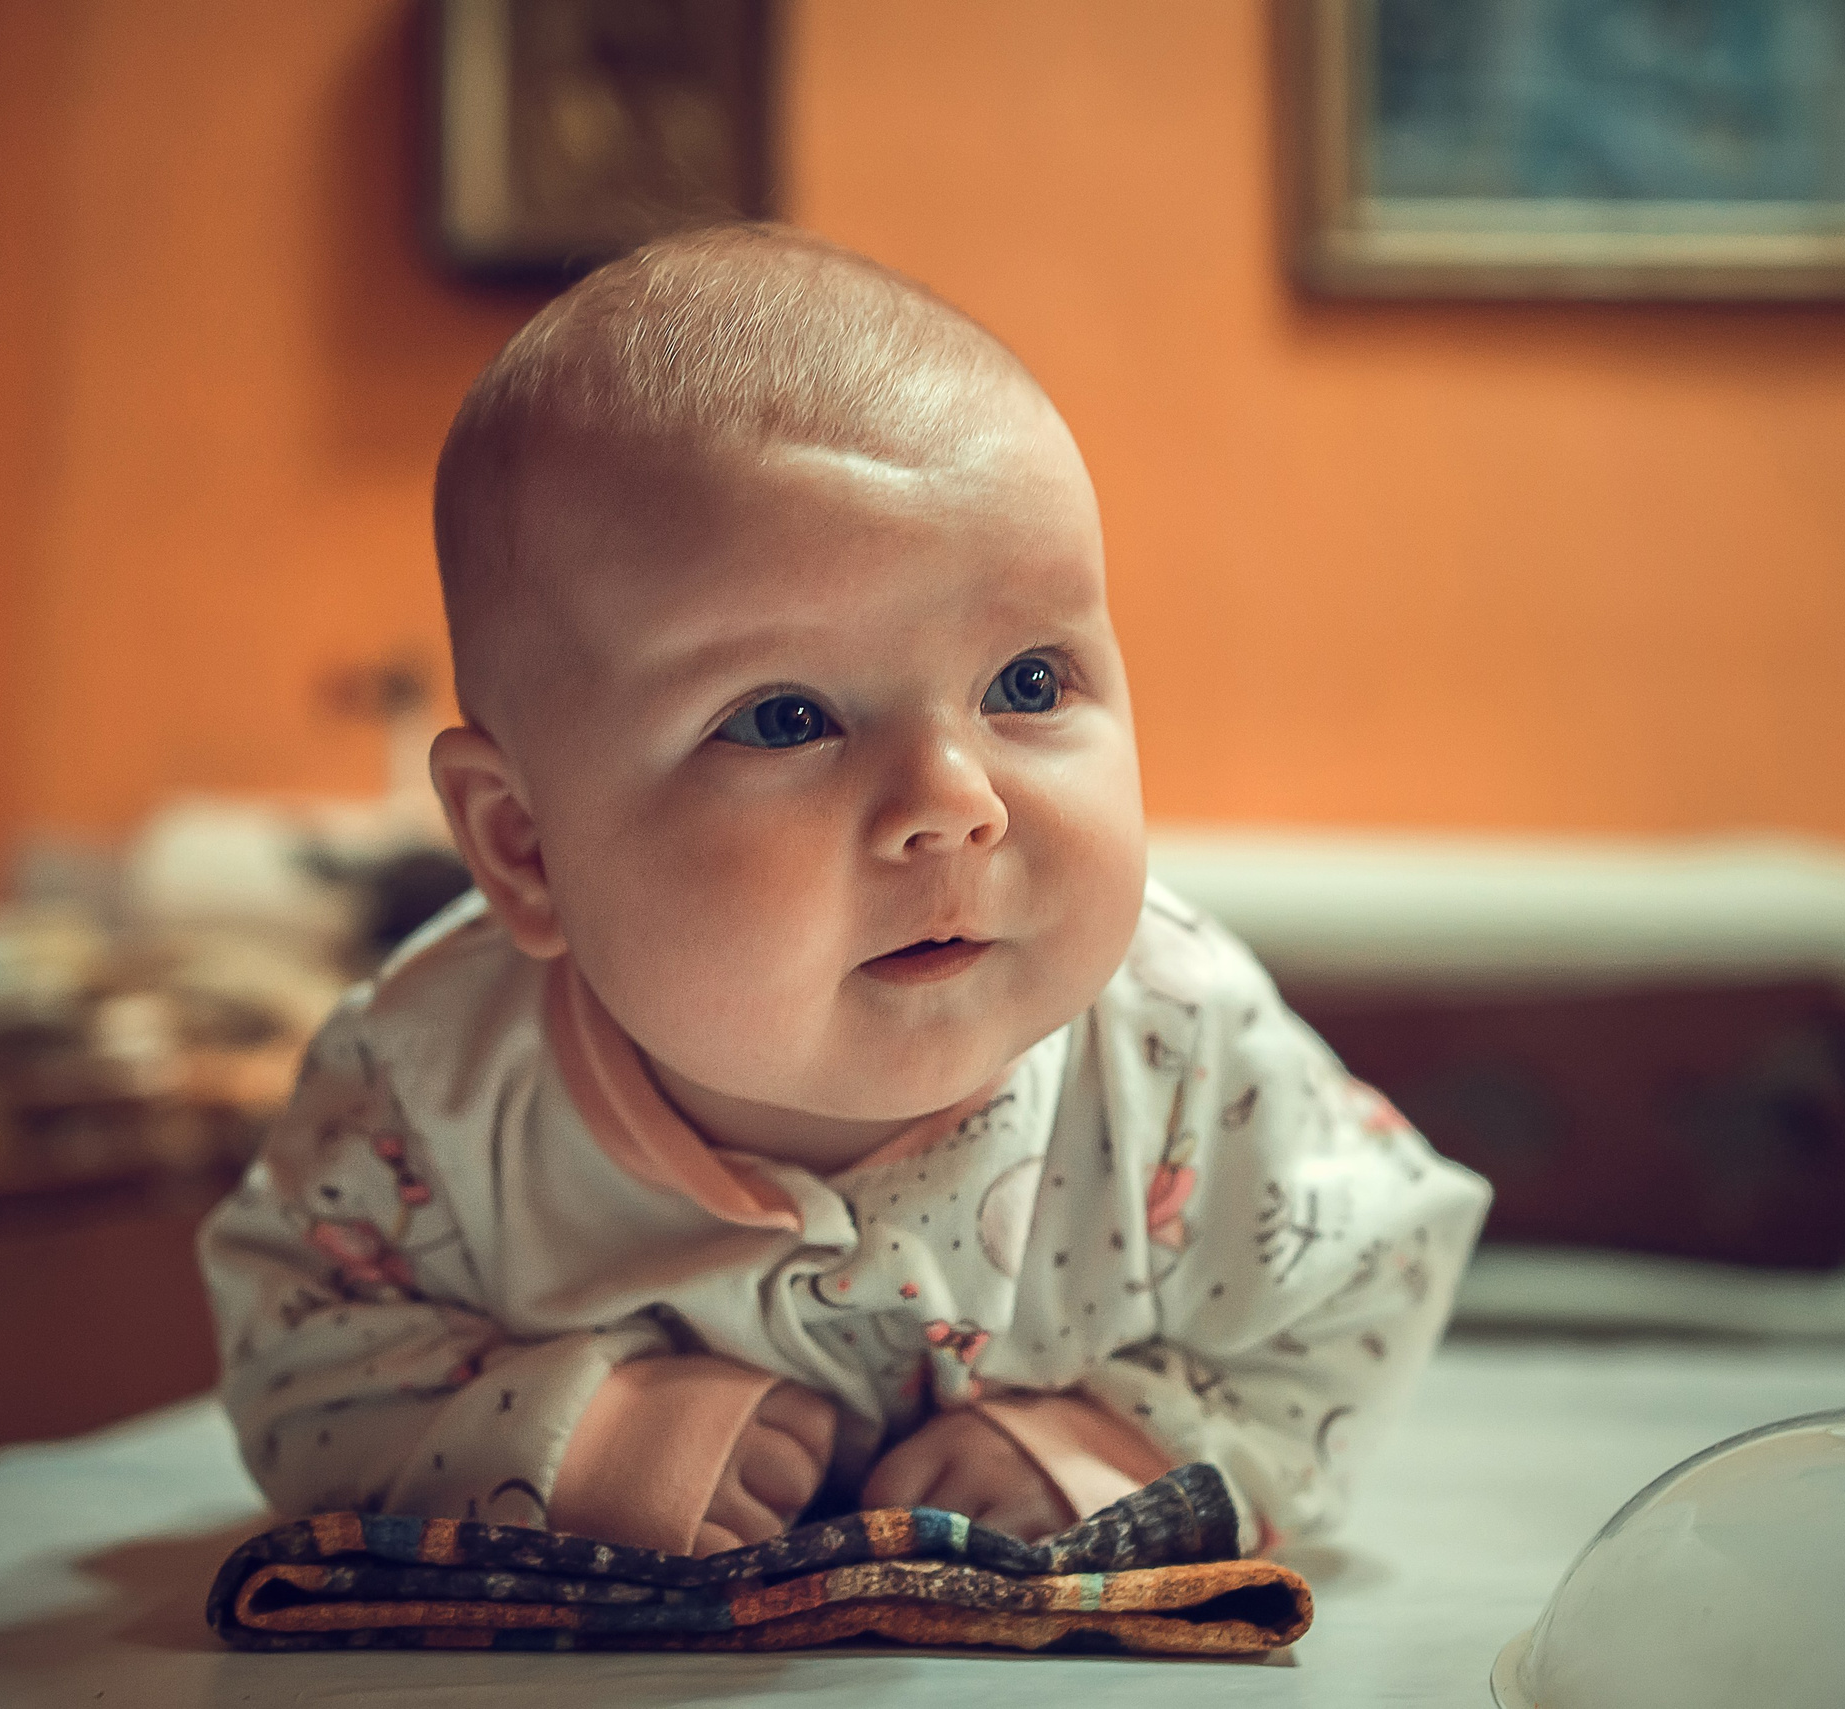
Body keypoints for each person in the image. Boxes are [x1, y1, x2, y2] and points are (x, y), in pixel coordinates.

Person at [198, 224, 1489, 1557]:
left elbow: (1371, 1274)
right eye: (785, 717)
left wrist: (1112, 1438)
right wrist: (584, 1435)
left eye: (1028, 685)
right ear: (525, 847)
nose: (951, 799)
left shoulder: (1179, 1043)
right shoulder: (431, 1088)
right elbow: (302, 1362)